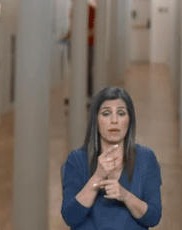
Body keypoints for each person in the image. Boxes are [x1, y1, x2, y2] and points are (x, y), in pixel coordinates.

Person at [61, 87, 162, 229]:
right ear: (96, 120)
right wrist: (97, 177)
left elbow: (153, 217)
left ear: (129, 120)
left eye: (121, 113)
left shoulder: (146, 158)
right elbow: (70, 217)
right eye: (106, 113)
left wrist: (125, 195)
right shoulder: (76, 160)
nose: (114, 120)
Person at [62, 0, 96, 98]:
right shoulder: (74, 10)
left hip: (88, 44)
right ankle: (78, 94)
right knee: (76, 69)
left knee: (87, 70)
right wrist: (68, 35)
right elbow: (72, 26)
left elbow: (94, 28)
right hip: (75, 44)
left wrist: (82, 37)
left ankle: (89, 95)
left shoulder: (91, 9)